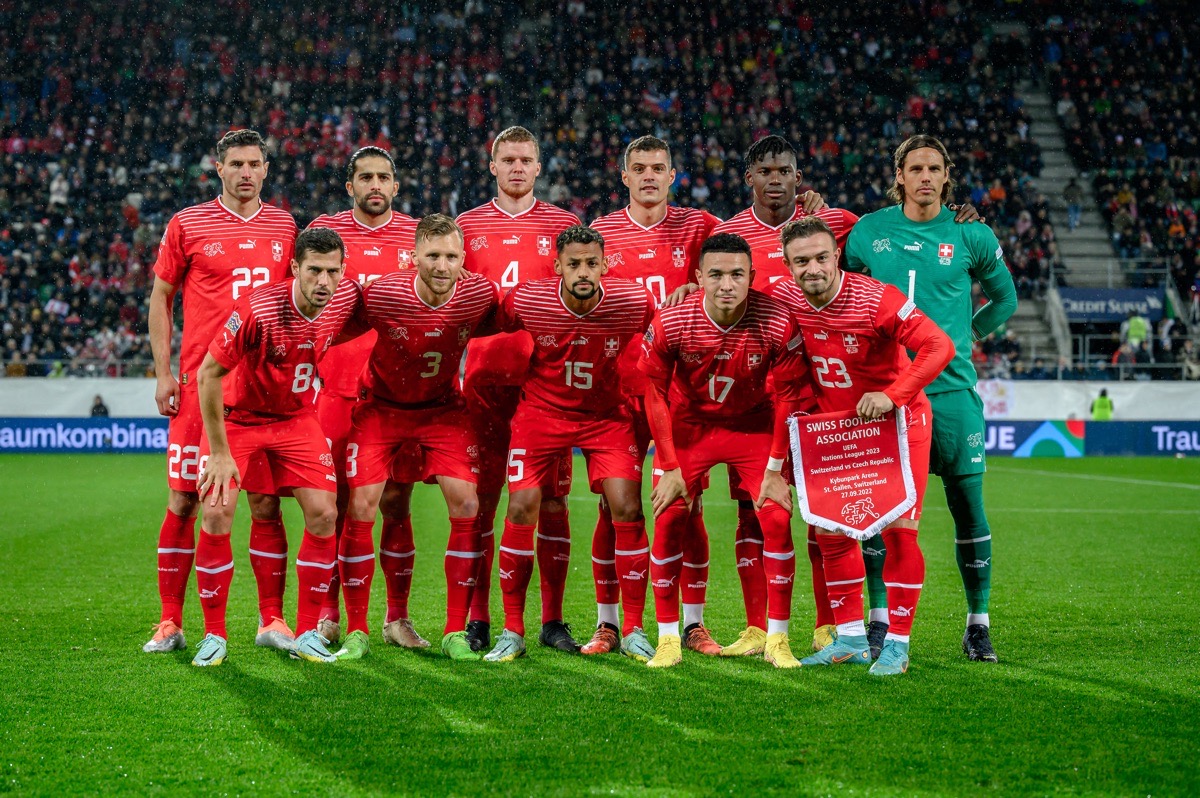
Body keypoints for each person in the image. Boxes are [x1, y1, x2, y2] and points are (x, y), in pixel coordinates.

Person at [843, 134, 1016, 662]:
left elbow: (1005, 298)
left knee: (969, 508)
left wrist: (966, 335)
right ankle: (877, 621)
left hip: (952, 392)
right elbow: (844, 300)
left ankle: (978, 624)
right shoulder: (868, 233)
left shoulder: (972, 235)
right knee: (875, 513)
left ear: (947, 175)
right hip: (885, 395)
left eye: (933, 168)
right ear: (899, 175)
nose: (923, 176)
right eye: (913, 167)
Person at [762, 215, 954, 676]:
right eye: (801, 261)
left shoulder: (876, 299)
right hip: (836, 430)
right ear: (788, 266)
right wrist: (687, 291)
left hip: (898, 426)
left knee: (898, 533)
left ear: (837, 257)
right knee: (832, 532)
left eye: (822, 258)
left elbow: (938, 346)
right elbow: (734, 297)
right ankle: (848, 639)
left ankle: (898, 645)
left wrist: (892, 396)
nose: (813, 269)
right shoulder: (784, 298)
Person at [144, 129, 298, 656]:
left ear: (267, 169)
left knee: (265, 503)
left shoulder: (285, 225)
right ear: (219, 169)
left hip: (262, 390)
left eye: (256, 163)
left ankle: (272, 619)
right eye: (237, 164)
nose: (247, 172)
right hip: (199, 384)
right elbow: (162, 297)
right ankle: (170, 621)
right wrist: (163, 372)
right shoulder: (187, 223)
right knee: (185, 500)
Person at [190, 227, 366, 667]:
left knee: (326, 513)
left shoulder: (345, 299)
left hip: (295, 419)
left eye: (332, 271)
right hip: (239, 421)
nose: (323, 281)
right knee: (215, 511)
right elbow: (208, 375)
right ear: (295, 268)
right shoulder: (257, 308)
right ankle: (214, 635)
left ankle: (305, 632)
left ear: (343, 271)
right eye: (314, 271)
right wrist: (219, 452)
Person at [484, 225, 657, 663]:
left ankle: (633, 628)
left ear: (605, 264)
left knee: (628, 508)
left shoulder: (633, 302)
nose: (583, 271)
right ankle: (513, 630)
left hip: (605, 418)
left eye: (591, 263)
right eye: (574, 264)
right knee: (522, 506)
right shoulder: (528, 299)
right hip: (540, 416)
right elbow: (491, 319)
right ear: (557, 265)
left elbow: (664, 329)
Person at [709, 135, 853, 655]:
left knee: (822, 513)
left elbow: (874, 253)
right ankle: (756, 627)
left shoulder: (833, 224)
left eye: (784, 170)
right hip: (753, 400)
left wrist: (957, 213)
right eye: (765, 170)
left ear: (799, 176)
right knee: (755, 510)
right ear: (750, 177)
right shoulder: (729, 234)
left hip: (818, 395)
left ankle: (827, 624)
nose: (775, 178)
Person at [639, 233, 808, 669]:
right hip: (691, 427)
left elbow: (788, 395)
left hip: (752, 427)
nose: (726, 284)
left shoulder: (776, 319)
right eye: (715, 274)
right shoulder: (673, 319)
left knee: (776, 515)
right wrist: (670, 465)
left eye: (737, 274)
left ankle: (777, 637)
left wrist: (774, 468)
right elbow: (654, 392)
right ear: (699, 277)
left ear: (752, 277)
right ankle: (668, 637)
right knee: (670, 516)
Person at [339, 214, 500, 661]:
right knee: (364, 506)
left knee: (468, 505)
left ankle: (454, 632)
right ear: (414, 258)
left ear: (464, 259)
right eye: (433, 255)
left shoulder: (480, 294)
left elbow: (517, 316)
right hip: (381, 409)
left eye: (451, 256)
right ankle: (358, 629)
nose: (442, 265)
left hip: (442, 412)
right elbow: (334, 327)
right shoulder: (383, 294)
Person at [585, 135, 723, 657]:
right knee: (612, 506)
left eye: (658, 167)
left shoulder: (701, 226)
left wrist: (808, 205)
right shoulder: (600, 232)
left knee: (689, 506)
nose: (648, 175)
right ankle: (611, 624)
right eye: (638, 168)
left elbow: (750, 253)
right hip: (619, 389)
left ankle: (693, 623)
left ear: (672, 176)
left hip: (684, 391)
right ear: (625, 177)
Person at [456, 126, 582, 653]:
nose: (516, 167)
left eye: (525, 159)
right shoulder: (464, 227)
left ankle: (552, 620)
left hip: (546, 389)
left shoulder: (565, 226)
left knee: (551, 502)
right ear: (491, 165)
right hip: (483, 387)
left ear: (538, 167)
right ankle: (480, 618)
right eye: (506, 159)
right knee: (483, 503)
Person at [306, 146, 421, 649]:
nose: (375, 185)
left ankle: (397, 617)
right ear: (349, 186)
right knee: (333, 504)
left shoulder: (418, 236)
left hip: (398, 395)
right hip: (335, 390)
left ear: (396, 186)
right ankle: (329, 613)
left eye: (384, 177)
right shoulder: (324, 232)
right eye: (365, 177)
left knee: (395, 502)